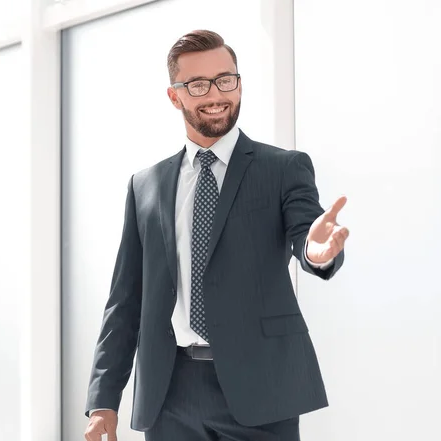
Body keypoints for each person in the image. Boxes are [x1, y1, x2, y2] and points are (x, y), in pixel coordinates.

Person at [83, 30, 349, 441]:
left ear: (239, 83)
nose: (216, 94)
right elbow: (125, 300)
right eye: (198, 84)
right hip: (169, 393)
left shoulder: (283, 168)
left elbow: (307, 236)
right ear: (175, 96)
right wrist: (104, 399)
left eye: (226, 79)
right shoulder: (145, 186)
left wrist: (316, 250)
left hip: (261, 388)